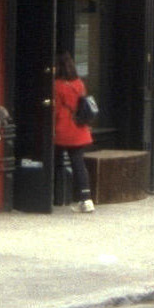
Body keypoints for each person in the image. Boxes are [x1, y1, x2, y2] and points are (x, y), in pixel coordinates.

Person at [53, 50, 95, 212]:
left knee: (54, 161)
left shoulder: (57, 85)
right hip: (79, 127)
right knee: (78, 163)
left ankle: (56, 196)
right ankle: (86, 198)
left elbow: (55, 109)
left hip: (63, 128)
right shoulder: (79, 83)